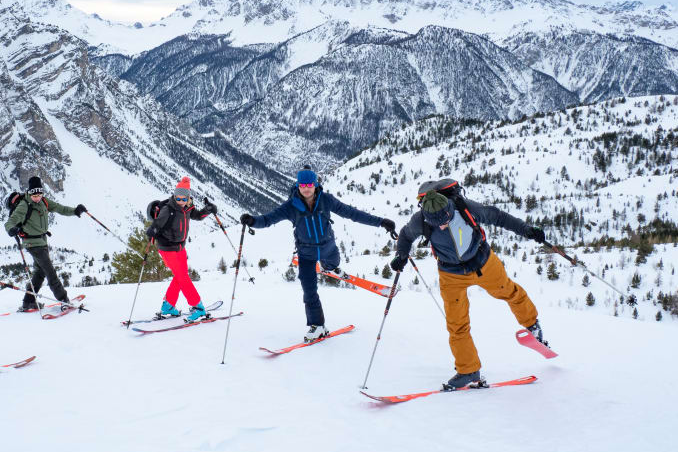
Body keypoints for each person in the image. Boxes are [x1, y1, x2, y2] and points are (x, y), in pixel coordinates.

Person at [390, 184, 548, 390]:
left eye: (445, 221)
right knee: (456, 324)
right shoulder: (420, 220)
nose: (443, 226)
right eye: (437, 224)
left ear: (449, 210)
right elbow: (405, 235)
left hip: (483, 264)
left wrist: (527, 230)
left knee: (509, 292)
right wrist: (401, 255)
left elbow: (499, 217)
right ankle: (468, 370)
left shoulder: (465, 208)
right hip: (451, 275)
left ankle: (532, 325)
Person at [241, 167, 395, 341]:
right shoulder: (291, 206)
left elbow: (352, 213)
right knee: (309, 291)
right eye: (302, 185)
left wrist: (380, 222)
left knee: (333, 262)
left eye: (310, 184)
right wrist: (252, 221)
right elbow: (268, 219)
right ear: (298, 186)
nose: (306, 188)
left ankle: (331, 268)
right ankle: (317, 325)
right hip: (306, 254)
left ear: (315, 185)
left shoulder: (326, 201)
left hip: (328, 247)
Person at [4, 175, 87, 311]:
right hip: (32, 243)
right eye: (34, 195)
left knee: (40, 272)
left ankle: (28, 301)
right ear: (29, 193)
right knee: (50, 271)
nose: (37, 197)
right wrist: (11, 229)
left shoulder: (44, 202)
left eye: (39, 194)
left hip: (42, 240)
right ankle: (63, 299)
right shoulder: (24, 205)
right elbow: (10, 222)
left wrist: (75, 211)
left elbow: (60, 208)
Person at [145, 177, 217, 323]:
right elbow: (158, 223)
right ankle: (198, 307)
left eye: (183, 198)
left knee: (180, 276)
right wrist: (152, 230)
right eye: (177, 197)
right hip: (167, 248)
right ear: (174, 195)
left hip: (180, 247)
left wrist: (207, 211)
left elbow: (197, 216)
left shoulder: (188, 208)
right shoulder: (168, 209)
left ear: (188, 197)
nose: (180, 200)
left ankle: (168, 306)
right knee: (183, 278)